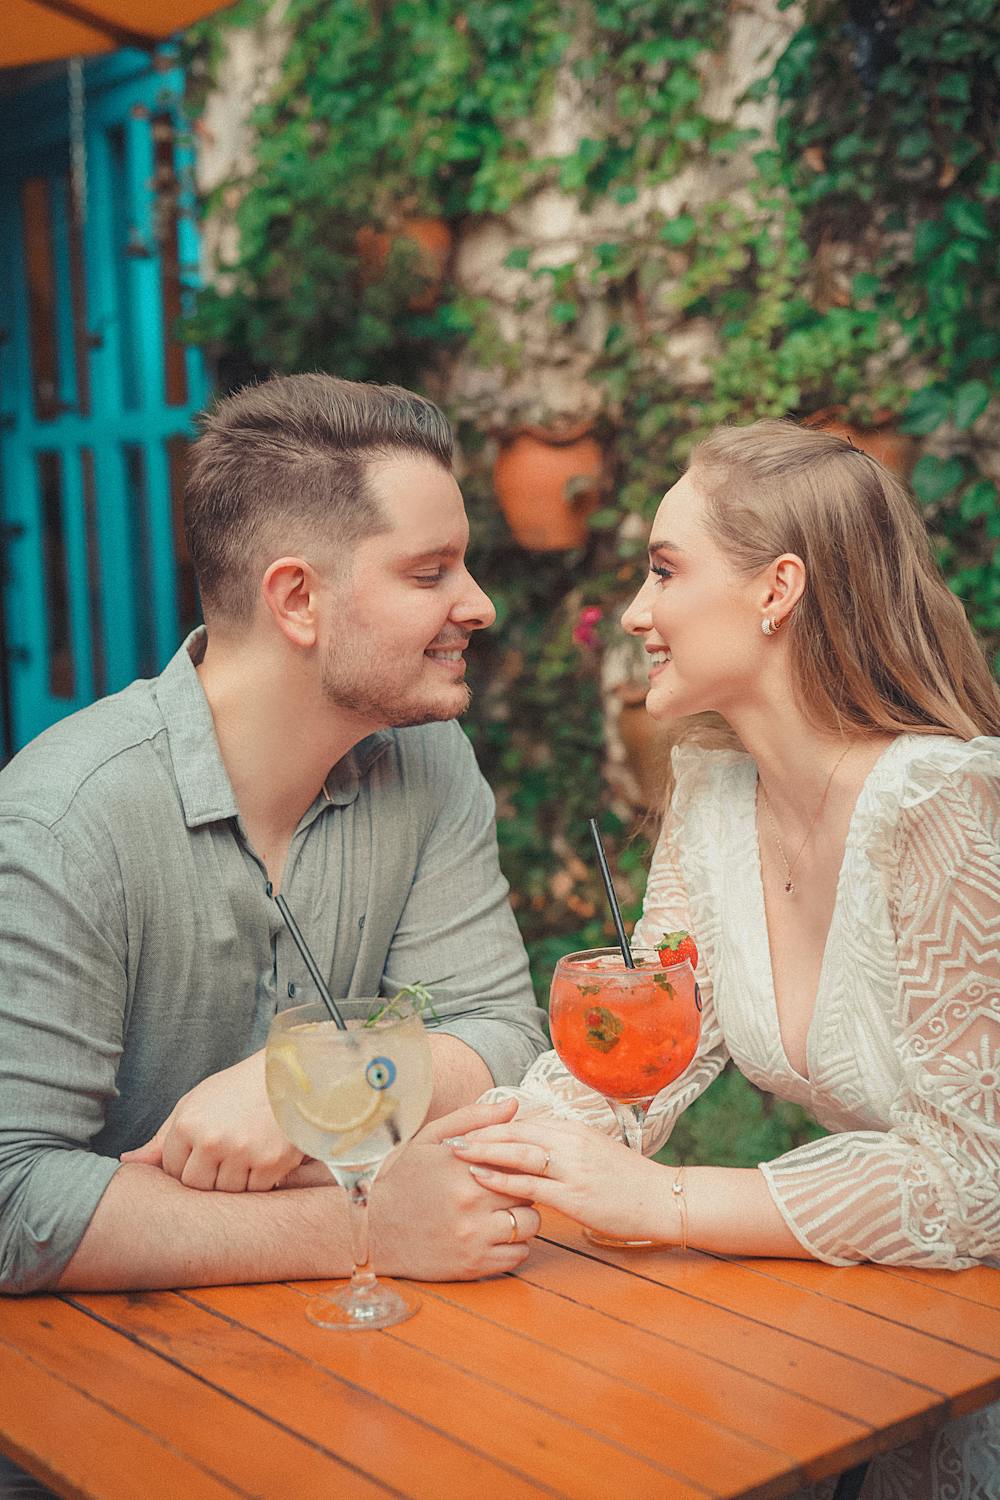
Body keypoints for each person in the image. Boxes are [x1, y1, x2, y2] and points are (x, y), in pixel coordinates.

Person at [451, 419, 1000, 1498]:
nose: (640, 612)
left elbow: (975, 1182)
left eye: (664, 569)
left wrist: (666, 1206)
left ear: (775, 589)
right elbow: (631, 1055)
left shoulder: (939, 802)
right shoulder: (716, 796)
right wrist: (465, 1162)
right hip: (894, 1322)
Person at [0, 372, 548, 1300]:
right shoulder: (62, 824)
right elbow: (14, 1204)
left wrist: (304, 1088)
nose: (480, 604)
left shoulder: (430, 758)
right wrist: (359, 1225)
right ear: (296, 599)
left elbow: (503, 1037)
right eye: (429, 573)